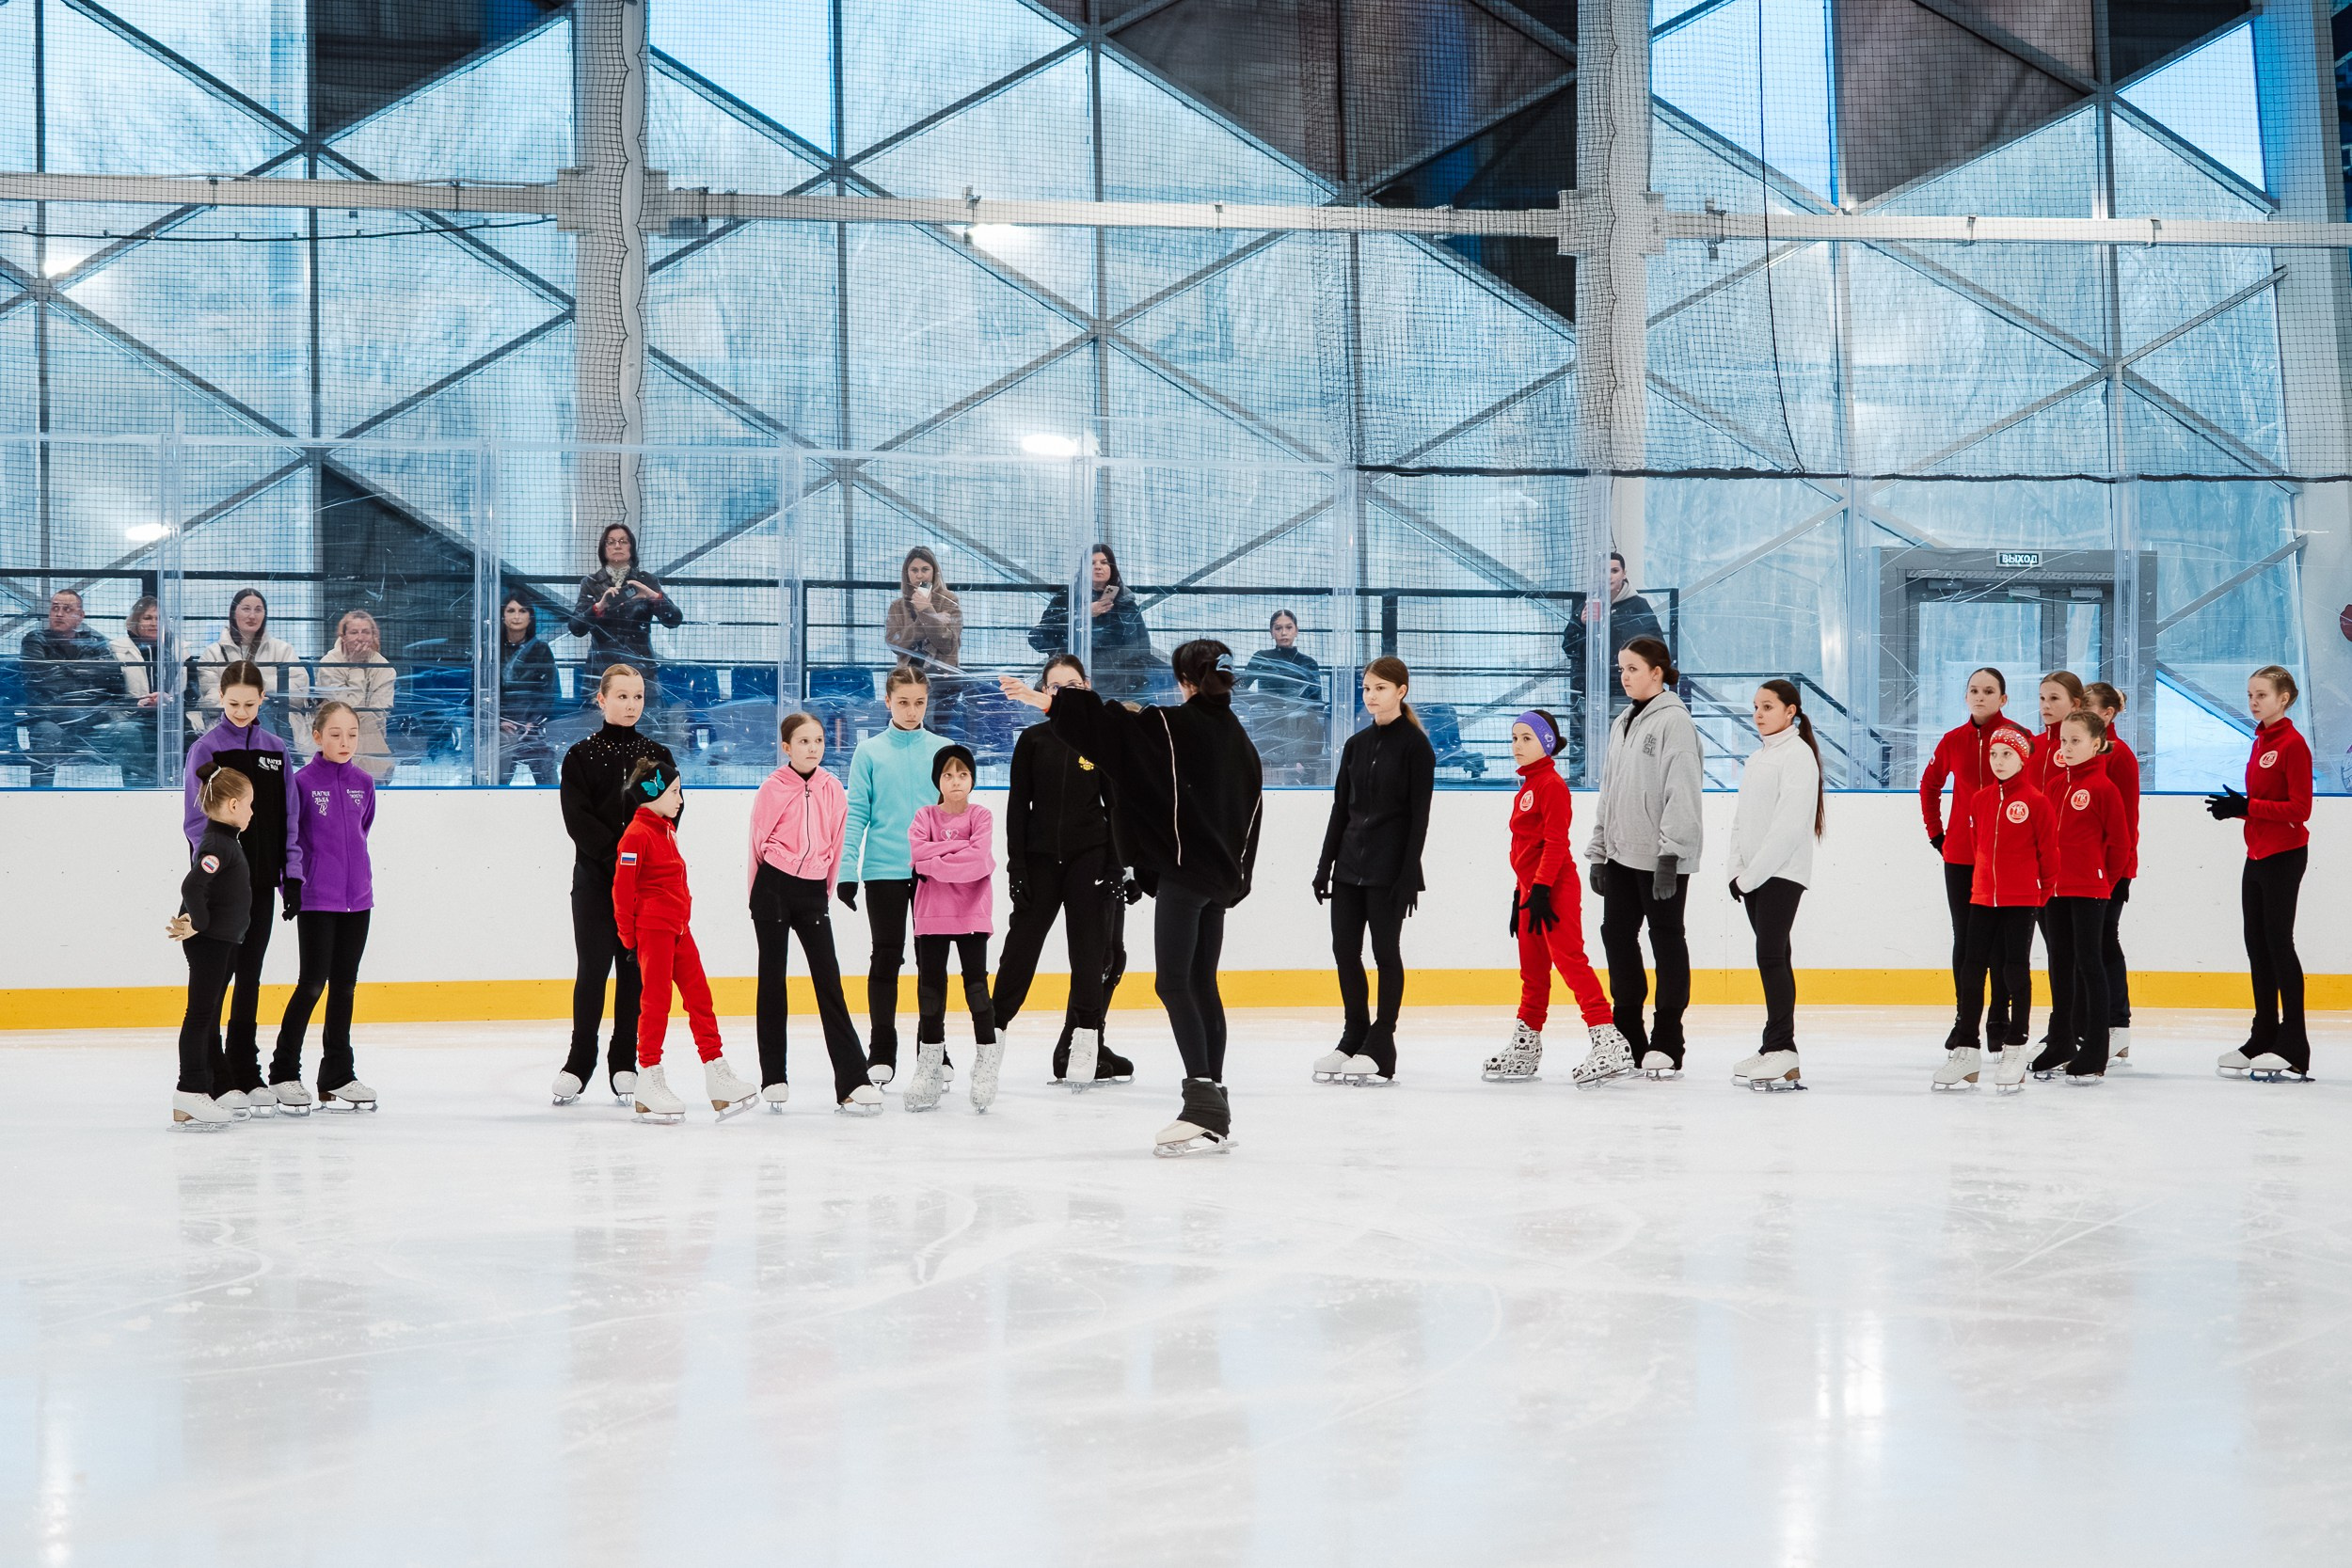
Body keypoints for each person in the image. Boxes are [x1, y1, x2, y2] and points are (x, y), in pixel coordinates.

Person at [1001, 639, 1263, 1157]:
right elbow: (1250, 815)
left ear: (1185, 680)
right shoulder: (1240, 739)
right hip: (1218, 881)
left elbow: (1112, 734)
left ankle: (1203, 1102)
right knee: (1200, 984)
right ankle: (1215, 1100)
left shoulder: (1174, 727)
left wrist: (1047, 701)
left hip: (1188, 880)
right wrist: (1237, 878)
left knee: (1174, 984)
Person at [992, 655, 1138, 1090]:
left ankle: (1085, 1044)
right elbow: (1018, 807)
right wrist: (1017, 866)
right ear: (1044, 692)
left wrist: (1116, 866)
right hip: (1039, 860)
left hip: (1089, 858)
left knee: (1091, 952)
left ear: (1087, 686)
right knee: (1021, 949)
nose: (1064, 694)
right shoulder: (1033, 740)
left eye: (1073, 686)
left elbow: (1116, 809)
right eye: (1056, 687)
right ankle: (991, 1037)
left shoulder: (1100, 740)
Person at [552, 664, 676, 1107]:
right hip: (595, 880)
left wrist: (637, 865)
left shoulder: (658, 755)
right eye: (621, 696)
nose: (631, 704)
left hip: (645, 886)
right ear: (601, 700)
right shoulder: (580, 755)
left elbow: (671, 811)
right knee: (592, 971)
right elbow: (577, 818)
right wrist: (617, 859)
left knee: (634, 971)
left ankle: (624, 1059)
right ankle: (578, 1060)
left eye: (638, 697)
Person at [183, 659, 302, 1116]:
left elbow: (289, 817)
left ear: (262, 700)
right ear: (220, 697)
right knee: (217, 978)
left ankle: (245, 1068)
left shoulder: (276, 750)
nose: (240, 711)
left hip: (262, 885)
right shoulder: (207, 750)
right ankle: (216, 1073)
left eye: (250, 704)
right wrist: (217, 870)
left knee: (249, 976)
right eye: (233, 703)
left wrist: (291, 873)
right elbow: (196, 822)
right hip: (223, 886)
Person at [1483, 707, 1627, 1085]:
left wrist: (1543, 888)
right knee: (1532, 972)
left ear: (1546, 744)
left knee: (1570, 961)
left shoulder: (1551, 785)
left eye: (1527, 738)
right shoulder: (1527, 786)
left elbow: (1556, 843)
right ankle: (1526, 1047)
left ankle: (1608, 1040)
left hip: (1554, 889)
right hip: (1534, 891)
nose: (1517, 745)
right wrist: (1521, 894)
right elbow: (1525, 848)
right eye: (1514, 738)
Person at [612, 755, 758, 1122]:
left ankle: (717, 1074)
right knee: (656, 1002)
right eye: (675, 791)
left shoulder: (664, 829)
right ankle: (649, 1076)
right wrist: (630, 938)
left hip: (678, 929)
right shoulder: (636, 834)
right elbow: (621, 891)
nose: (680, 799)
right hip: (654, 930)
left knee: (699, 997)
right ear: (653, 792)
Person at [748, 712, 880, 1115]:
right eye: (803, 742)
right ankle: (774, 1076)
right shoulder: (772, 788)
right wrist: (757, 892)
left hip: (812, 892)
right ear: (786, 748)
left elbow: (838, 842)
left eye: (819, 741)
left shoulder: (832, 788)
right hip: (772, 888)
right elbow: (756, 842)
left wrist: (824, 889)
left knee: (830, 982)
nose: (812, 748)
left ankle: (853, 1080)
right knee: (773, 981)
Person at [1585, 636, 1705, 1082]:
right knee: (1617, 937)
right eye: (1621, 669)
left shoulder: (1675, 722)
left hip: (1660, 860)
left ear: (1658, 672)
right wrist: (1599, 850)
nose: (1625, 676)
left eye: (1632, 668)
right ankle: (1628, 1032)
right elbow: (1609, 790)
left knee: (1666, 939)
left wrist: (1671, 855)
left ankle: (1668, 1039)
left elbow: (1682, 791)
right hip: (1620, 854)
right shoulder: (1623, 721)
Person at [1311, 655, 1433, 1085]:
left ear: (1401, 691)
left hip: (1388, 872)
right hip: (1348, 868)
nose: (1371, 696)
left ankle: (1382, 1043)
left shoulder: (1416, 747)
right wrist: (1325, 865)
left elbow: (1418, 819)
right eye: (1366, 688)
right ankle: (1353, 1035)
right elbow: (1340, 809)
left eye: (1380, 688)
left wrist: (1407, 876)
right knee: (1345, 952)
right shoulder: (1355, 746)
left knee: (1385, 955)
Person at [839, 664, 952, 1086]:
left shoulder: (943, 749)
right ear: (887, 702)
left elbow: (952, 818)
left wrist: (958, 868)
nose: (911, 710)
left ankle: (934, 1048)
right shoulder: (869, 753)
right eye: (902, 702)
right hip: (883, 870)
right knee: (886, 957)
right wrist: (847, 871)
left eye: (919, 702)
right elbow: (858, 816)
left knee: (932, 962)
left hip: (933, 873)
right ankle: (881, 1049)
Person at [2205, 665, 2314, 1083]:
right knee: (2257, 945)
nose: (2253, 702)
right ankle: (2264, 1032)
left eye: (2262, 695)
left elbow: (2300, 810)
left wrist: (2247, 807)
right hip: (2258, 853)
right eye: (2251, 694)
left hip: (2285, 855)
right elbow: (2267, 803)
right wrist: (2238, 808)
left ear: (2283, 698)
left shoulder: (2293, 744)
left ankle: (2295, 1044)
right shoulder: (2261, 741)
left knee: (2278, 945)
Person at [270, 701, 379, 1114]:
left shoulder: (364, 783)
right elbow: (291, 840)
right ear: (316, 737)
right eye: (335, 734)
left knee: (345, 987)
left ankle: (337, 1075)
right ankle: (283, 1072)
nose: (344, 742)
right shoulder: (300, 783)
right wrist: (293, 885)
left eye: (351, 734)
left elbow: (362, 829)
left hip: (359, 901)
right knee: (312, 984)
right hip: (317, 900)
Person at [1935, 726, 2055, 1093]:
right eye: (1994, 755)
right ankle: (1968, 1048)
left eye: (2007, 755)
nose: (1999, 761)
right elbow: (1978, 846)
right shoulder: (1980, 800)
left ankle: (2015, 1045)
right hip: (1983, 897)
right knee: (1972, 968)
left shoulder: (2037, 801)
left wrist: (2040, 895)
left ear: (2023, 759)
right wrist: (1981, 887)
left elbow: (2049, 855)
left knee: (2015, 969)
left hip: (2022, 900)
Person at [1726, 679, 1823, 1092]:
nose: (1758, 714)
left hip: (1781, 873)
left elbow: (1787, 827)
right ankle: (1775, 1048)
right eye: (1755, 707)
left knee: (1770, 955)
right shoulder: (1758, 757)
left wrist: (1751, 875)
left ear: (1791, 711)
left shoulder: (1798, 756)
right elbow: (1742, 819)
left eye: (1768, 706)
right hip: (1755, 876)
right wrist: (1736, 869)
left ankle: (1783, 1048)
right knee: (1773, 954)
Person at [2031, 710, 2128, 1085]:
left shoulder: (2104, 789)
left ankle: (2096, 1048)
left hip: (2090, 890)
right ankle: (2061, 1039)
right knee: (2060, 963)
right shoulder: (2055, 786)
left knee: (2090, 963)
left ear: (2096, 744)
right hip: (2055, 890)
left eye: (2076, 741)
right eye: (2064, 741)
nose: (2067, 747)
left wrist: (2103, 881)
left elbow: (2119, 845)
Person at [1920, 668, 2011, 1052]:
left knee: (2002, 944)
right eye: (1973, 690)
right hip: (1960, 855)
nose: (1980, 696)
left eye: (1989, 691)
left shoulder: (2016, 738)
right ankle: (1964, 1018)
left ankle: (1999, 1018)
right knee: (1966, 938)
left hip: (2007, 855)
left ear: (2002, 699)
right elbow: (1930, 784)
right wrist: (1937, 833)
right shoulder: (1953, 740)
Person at [907, 745, 1002, 1113]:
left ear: (973, 779)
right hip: (931, 915)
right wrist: (952, 855)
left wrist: (936, 860)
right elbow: (916, 856)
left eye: (963, 773)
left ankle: (985, 1065)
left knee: (977, 988)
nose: (956, 780)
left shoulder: (981, 815)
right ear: (938, 780)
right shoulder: (924, 816)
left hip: (972, 914)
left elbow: (979, 862)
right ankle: (929, 1067)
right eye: (948, 774)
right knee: (930, 991)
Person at [166, 766, 255, 1131]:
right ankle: (189, 1090)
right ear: (233, 805)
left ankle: (199, 1091)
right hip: (210, 943)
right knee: (201, 1015)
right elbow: (192, 887)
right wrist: (198, 923)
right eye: (250, 804)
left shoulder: (224, 841)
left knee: (206, 1014)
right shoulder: (218, 844)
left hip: (220, 941)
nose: (252, 812)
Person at [19, 587, 135, 785]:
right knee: (48, 733)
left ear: (80, 616)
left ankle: (137, 792)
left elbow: (112, 679)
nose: (59, 614)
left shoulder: (94, 643)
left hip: (90, 719)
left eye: (66, 609)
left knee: (128, 730)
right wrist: (84, 676)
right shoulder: (34, 640)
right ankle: (40, 795)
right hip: (50, 718)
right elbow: (43, 678)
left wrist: (67, 674)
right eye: (55, 608)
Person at [2082, 681, 2139, 1063]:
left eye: (2086, 706)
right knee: (2092, 942)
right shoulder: (2083, 750)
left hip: (2110, 870)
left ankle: (2115, 1025)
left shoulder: (2118, 756)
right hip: (2083, 869)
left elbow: (2124, 822)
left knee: (2102, 940)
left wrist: (2112, 870)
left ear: (2107, 714)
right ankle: (2097, 1022)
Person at [567, 522, 683, 697]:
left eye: (623, 541)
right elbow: (576, 628)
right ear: (603, 549)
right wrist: (599, 607)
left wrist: (653, 596)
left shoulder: (646, 580)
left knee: (643, 723)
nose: (617, 546)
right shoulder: (591, 583)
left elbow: (673, 620)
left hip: (641, 673)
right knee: (601, 723)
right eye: (611, 542)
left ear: (632, 547)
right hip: (601, 673)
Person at [1029, 544, 1152, 701]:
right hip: (1072, 679)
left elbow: (1141, 645)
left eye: (1104, 562)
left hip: (1118, 685)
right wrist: (1082, 615)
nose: (1098, 567)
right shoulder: (1068, 597)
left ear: (1112, 567)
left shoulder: (1125, 601)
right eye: (1092, 563)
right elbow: (1039, 638)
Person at [1561, 551, 1668, 712]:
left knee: (1626, 734)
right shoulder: (1587, 605)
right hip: (1590, 691)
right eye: (1604, 571)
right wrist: (1581, 625)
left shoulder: (1638, 606)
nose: (1609, 576)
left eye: (1614, 571)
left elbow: (1657, 647)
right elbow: (1569, 647)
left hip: (1626, 692)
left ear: (1624, 574)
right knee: (1594, 734)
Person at [196, 588, 307, 735]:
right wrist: (245, 702)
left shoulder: (283, 650)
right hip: (228, 726)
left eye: (258, 610)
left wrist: (262, 685)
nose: (252, 616)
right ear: (234, 613)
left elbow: (299, 694)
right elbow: (210, 701)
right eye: (246, 609)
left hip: (276, 725)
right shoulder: (213, 653)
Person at [885, 546, 964, 734]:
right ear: (907, 574)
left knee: (935, 731)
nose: (919, 575)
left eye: (925, 569)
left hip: (942, 680)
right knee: (902, 727)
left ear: (934, 572)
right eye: (914, 570)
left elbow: (947, 643)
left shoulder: (950, 601)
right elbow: (895, 644)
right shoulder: (897, 606)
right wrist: (930, 618)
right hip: (907, 678)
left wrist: (927, 610)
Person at [312, 610, 397, 783]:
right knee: (360, 717)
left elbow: (380, 712)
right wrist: (356, 668)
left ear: (374, 636)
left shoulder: (384, 667)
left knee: (366, 718)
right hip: (335, 729)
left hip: (372, 732)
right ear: (343, 637)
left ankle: (357, 775)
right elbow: (347, 709)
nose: (360, 637)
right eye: (354, 632)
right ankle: (375, 774)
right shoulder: (329, 663)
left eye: (366, 632)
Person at [108, 594, 173, 783]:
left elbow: (190, 694)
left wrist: (168, 700)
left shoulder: (179, 651)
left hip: (168, 715)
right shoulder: (117, 650)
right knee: (128, 731)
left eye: (158, 618)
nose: (154, 623)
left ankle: (168, 789)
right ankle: (140, 789)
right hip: (131, 716)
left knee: (180, 731)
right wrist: (140, 702)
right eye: (147, 618)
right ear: (136, 621)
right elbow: (112, 693)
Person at [497, 592, 560, 785]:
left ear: (530, 616)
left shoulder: (541, 649)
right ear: (503, 616)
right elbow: (479, 691)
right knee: (495, 780)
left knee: (547, 775)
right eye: (511, 610)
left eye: (522, 611)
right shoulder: (491, 649)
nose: (517, 616)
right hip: (500, 729)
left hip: (532, 729)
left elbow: (550, 692)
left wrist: (532, 723)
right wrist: (498, 721)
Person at [1242, 610, 1324, 703]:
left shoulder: (1308, 662)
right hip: (1267, 715)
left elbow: (1316, 702)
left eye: (1289, 627)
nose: (1284, 633)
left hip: (1301, 717)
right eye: (1278, 628)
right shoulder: (1262, 658)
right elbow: (1241, 687)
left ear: (1296, 631)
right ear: (1271, 633)